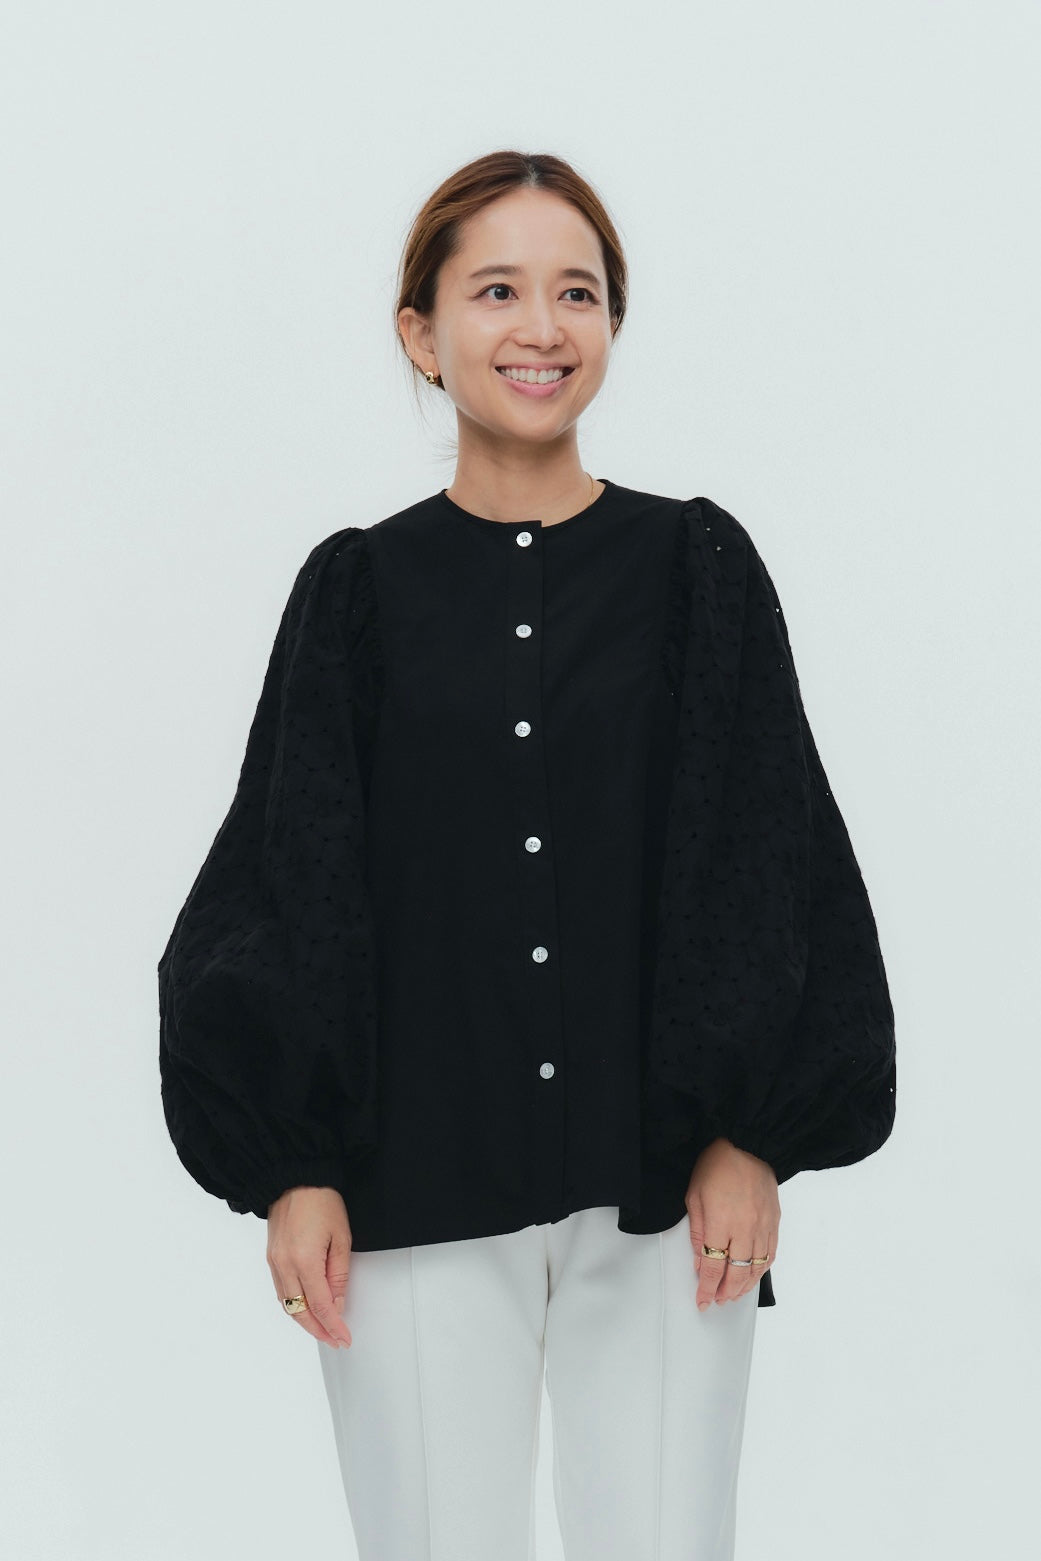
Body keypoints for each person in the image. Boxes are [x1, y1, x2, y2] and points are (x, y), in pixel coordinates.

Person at [157, 149, 896, 1561]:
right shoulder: (356, 593)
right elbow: (285, 879)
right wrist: (291, 1163)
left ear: (612, 323)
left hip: (665, 1194)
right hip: (411, 1192)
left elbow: (775, 860)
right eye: (496, 290)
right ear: (420, 332)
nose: (541, 327)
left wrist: (753, 1136)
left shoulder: (699, 574)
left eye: (578, 292)